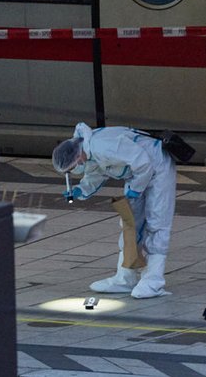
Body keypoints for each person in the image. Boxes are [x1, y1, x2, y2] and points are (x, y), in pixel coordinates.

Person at [52, 122, 177, 298]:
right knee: (130, 225)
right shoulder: (90, 151)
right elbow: (96, 172)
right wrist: (82, 190)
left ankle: (153, 282)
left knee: (157, 223)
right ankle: (125, 278)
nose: (76, 169)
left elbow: (143, 163)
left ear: (78, 158)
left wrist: (136, 189)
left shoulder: (103, 145)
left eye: (73, 168)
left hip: (158, 168)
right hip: (137, 175)